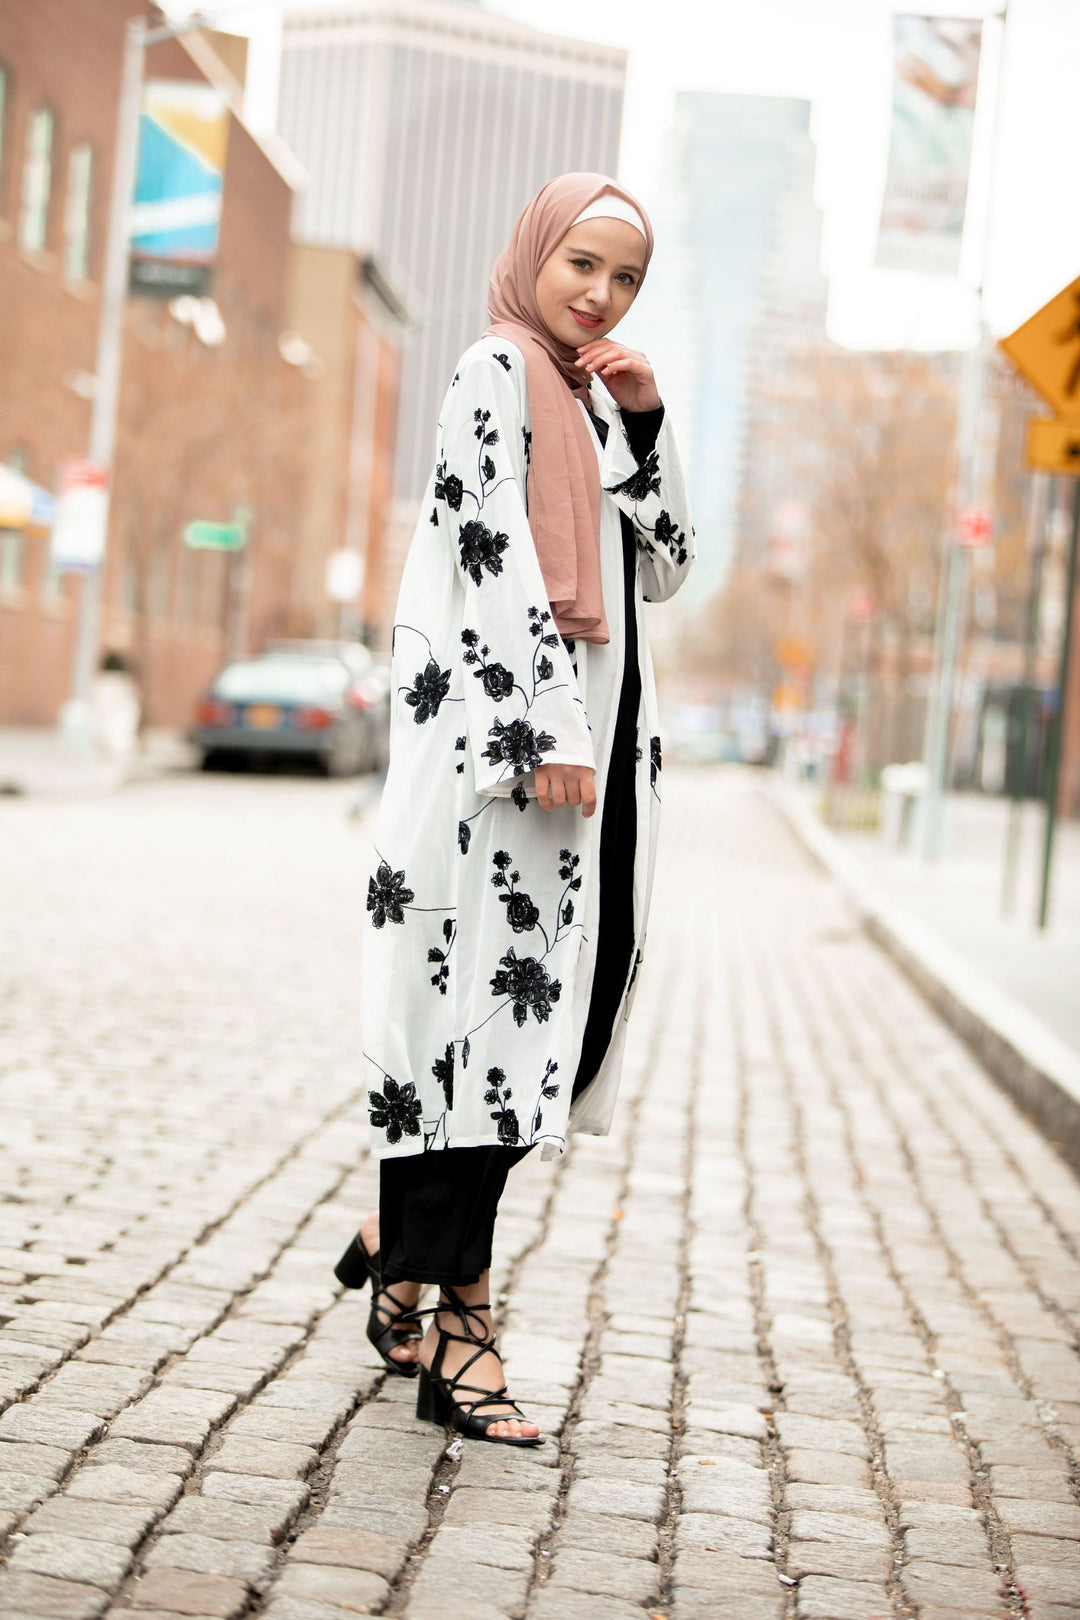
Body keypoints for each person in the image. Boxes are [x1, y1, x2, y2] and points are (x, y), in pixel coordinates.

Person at [336, 172, 694, 1445]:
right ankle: (461, 1328)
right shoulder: (494, 370)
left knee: (549, 1025)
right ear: (536, 253)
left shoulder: (595, 397)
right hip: (512, 766)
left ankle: (401, 1240)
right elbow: (484, 549)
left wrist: (645, 425)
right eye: (583, 264)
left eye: (626, 278)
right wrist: (541, 723)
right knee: (488, 1035)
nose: (600, 293)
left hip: (591, 768)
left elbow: (665, 565)